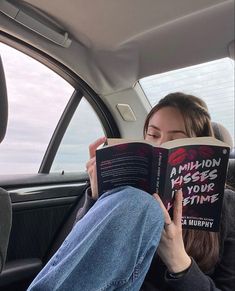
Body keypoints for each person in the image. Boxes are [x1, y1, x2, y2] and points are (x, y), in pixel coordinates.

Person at [27, 92, 235, 291]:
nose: (160, 145)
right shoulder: (130, 191)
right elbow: (75, 261)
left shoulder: (228, 204)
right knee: (136, 200)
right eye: (153, 135)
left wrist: (179, 262)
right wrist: (98, 198)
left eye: (175, 140)